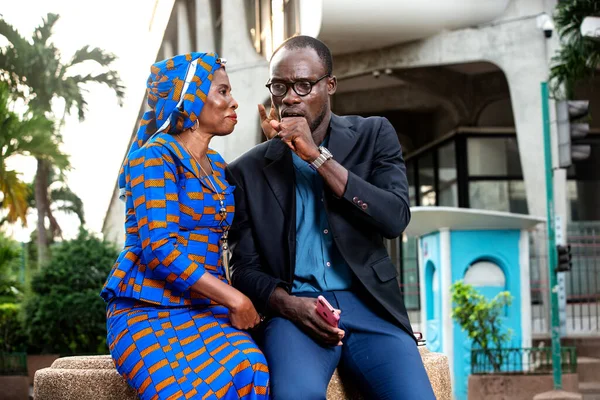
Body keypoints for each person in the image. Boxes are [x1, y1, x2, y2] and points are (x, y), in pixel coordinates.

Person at [226, 36, 435, 399]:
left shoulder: (373, 135)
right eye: (279, 86)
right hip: (296, 311)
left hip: (369, 304)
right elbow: (243, 268)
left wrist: (317, 158)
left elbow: (394, 218)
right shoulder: (247, 170)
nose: (290, 97)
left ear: (330, 85)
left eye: (304, 85)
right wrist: (289, 306)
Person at [101, 52, 269, 400]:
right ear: (189, 97)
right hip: (146, 310)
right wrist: (235, 299)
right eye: (222, 91)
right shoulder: (153, 157)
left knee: (251, 368)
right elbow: (160, 250)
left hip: (204, 307)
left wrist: (277, 148)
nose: (233, 101)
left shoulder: (218, 166)